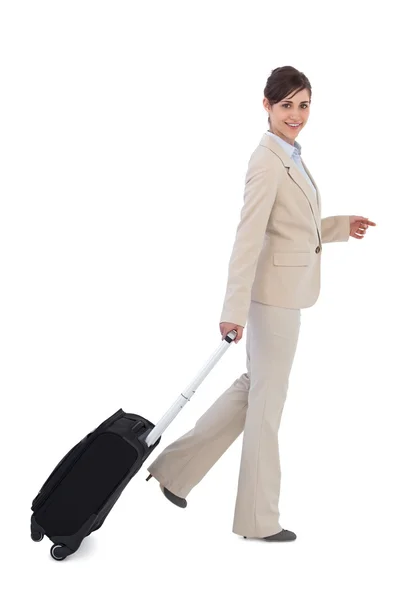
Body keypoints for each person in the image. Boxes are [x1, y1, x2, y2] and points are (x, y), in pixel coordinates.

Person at [145, 66, 376, 542]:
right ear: (266, 105)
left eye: (304, 104)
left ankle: (174, 469)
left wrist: (337, 226)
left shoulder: (289, 153)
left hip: (282, 293)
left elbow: (289, 227)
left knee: (255, 388)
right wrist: (232, 307)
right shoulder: (267, 160)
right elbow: (248, 237)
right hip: (271, 299)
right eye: (286, 104)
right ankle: (256, 520)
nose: (296, 114)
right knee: (268, 404)